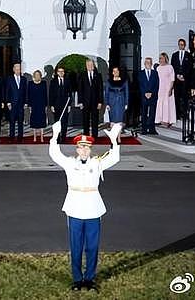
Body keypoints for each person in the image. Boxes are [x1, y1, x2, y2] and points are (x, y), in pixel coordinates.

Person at [48, 121, 122, 292]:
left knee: (92, 247)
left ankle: (89, 279)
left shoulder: (96, 163)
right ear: (77, 149)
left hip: (92, 208)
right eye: (81, 147)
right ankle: (77, 279)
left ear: (90, 149)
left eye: (87, 147)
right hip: (74, 208)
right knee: (76, 246)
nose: (84, 150)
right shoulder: (69, 163)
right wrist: (54, 135)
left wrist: (114, 141)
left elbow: (115, 158)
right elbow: (54, 154)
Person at [77, 59, 103, 138]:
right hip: (85, 102)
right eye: (88, 65)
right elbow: (80, 89)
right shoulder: (82, 75)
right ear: (86, 66)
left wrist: (100, 102)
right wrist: (80, 102)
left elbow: (100, 90)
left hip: (95, 102)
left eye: (91, 65)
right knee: (85, 120)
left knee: (95, 120)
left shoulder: (98, 75)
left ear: (94, 65)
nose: (90, 66)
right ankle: (86, 135)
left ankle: (95, 136)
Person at [5, 62, 27, 141]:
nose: (18, 70)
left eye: (19, 69)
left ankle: (20, 137)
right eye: (16, 69)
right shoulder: (9, 79)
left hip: (21, 104)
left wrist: (26, 102)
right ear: (14, 69)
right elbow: (7, 91)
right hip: (12, 104)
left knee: (20, 121)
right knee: (12, 121)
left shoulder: (24, 79)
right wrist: (8, 102)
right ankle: (11, 137)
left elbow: (25, 92)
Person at [49, 66, 71, 143]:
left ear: (64, 72)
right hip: (56, 105)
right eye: (59, 71)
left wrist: (69, 105)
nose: (61, 73)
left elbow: (70, 94)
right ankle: (57, 138)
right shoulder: (53, 81)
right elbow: (51, 94)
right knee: (57, 122)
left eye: (62, 71)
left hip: (65, 105)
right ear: (57, 72)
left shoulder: (67, 81)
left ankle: (64, 138)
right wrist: (51, 105)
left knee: (64, 122)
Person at [170, 38, 191, 119]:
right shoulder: (174, 55)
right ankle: (177, 114)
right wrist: (177, 76)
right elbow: (173, 67)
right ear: (178, 45)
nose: (181, 46)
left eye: (182, 44)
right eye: (180, 44)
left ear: (184, 45)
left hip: (185, 80)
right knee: (177, 97)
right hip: (177, 79)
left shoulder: (188, 55)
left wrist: (184, 76)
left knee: (185, 97)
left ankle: (184, 114)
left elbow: (189, 67)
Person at [155, 53, 176, 127]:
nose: (161, 60)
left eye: (162, 58)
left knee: (167, 104)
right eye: (160, 58)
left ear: (165, 59)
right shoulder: (158, 68)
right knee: (160, 103)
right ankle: (160, 119)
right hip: (160, 88)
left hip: (168, 87)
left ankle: (167, 120)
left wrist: (170, 89)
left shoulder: (170, 67)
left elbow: (172, 79)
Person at [138, 57, 159, 134]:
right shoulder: (141, 73)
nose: (148, 64)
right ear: (144, 63)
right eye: (146, 62)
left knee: (152, 113)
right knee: (144, 113)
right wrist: (145, 93)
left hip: (153, 96)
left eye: (149, 63)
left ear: (151, 63)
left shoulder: (155, 73)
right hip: (144, 96)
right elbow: (140, 85)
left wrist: (151, 93)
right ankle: (144, 129)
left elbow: (157, 85)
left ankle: (151, 129)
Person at [27, 70, 48, 142]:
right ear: (34, 76)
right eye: (36, 75)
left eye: (38, 75)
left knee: (42, 120)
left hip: (41, 104)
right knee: (34, 120)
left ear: (40, 76)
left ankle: (42, 136)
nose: (37, 76)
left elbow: (45, 95)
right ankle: (35, 136)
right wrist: (29, 106)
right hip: (33, 105)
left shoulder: (43, 83)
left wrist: (45, 105)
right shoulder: (30, 83)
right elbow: (29, 95)